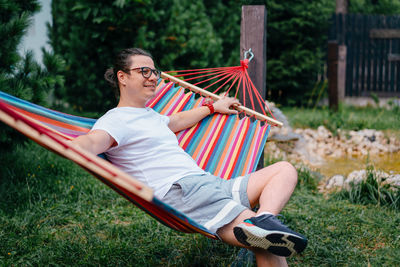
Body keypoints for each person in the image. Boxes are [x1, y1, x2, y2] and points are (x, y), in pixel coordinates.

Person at [72, 48, 307, 267]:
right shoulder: (116, 120)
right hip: (182, 192)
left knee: (284, 170)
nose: (153, 77)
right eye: (144, 71)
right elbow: (94, 141)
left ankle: (263, 219)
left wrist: (214, 107)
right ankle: (258, 227)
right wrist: (70, 145)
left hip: (209, 184)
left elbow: (174, 122)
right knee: (267, 243)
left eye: (154, 71)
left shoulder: (150, 115)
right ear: (122, 77)